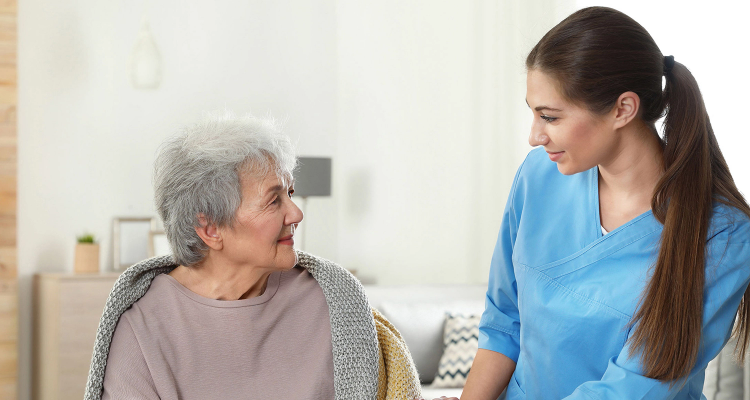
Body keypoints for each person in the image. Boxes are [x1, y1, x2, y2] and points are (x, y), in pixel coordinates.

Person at [460, 6, 750, 399]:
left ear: (622, 109)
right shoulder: (538, 176)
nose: (535, 136)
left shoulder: (722, 235)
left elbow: (634, 388)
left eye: (550, 117)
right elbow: (503, 321)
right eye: (533, 114)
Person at [84, 112, 422, 400]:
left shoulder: (334, 301)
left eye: (290, 192)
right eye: (274, 200)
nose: (296, 213)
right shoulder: (142, 325)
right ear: (210, 228)